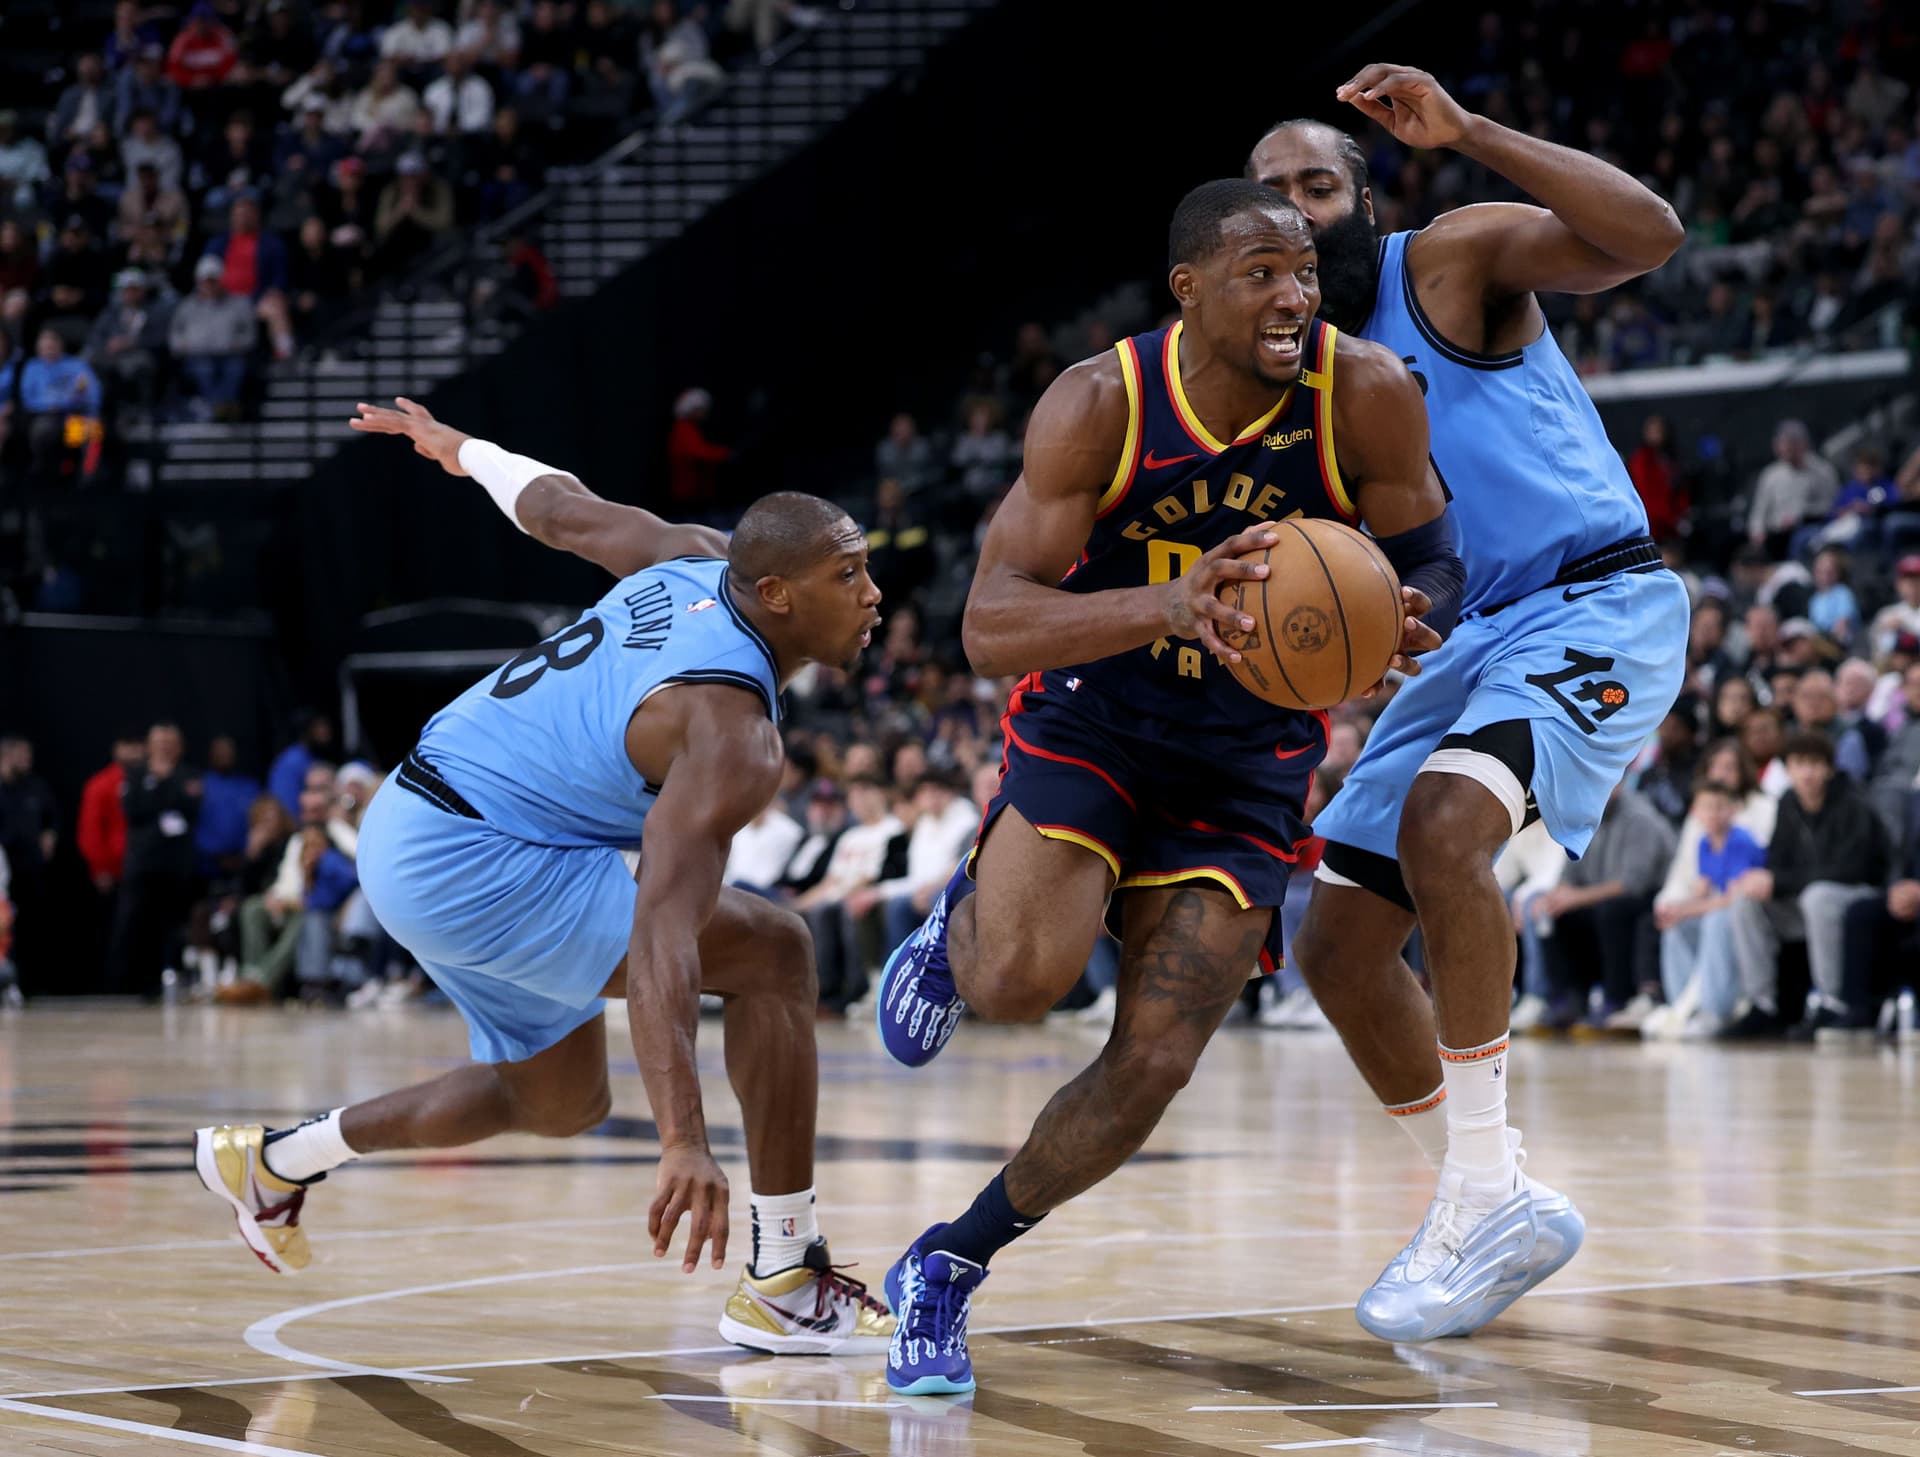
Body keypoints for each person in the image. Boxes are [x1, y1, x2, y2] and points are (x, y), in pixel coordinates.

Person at [876, 180, 1460, 1394]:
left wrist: (1410, 613)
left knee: (1154, 1061)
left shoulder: (1366, 393)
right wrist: (1170, 602)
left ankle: (950, 1260)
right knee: (1017, 982)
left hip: (1248, 757)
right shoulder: (1101, 403)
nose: (1294, 295)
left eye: (1304, 271)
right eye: (1261, 272)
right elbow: (987, 625)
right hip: (1099, 715)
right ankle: (957, 921)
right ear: (1188, 290)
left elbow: (1434, 555)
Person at [196, 397, 894, 1359]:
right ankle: (785, 1275)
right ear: (775, 593)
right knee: (776, 952)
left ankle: (278, 1161)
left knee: (559, 1100)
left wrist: (462, 448)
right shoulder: (730, 732)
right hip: (474, 858)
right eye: (847, 575)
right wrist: (683, 1140)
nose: (873, 594)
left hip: (419, 816)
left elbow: (559, 509)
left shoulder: (690, 557)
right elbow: (662, 941)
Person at [1246, 63, 1688, 1342]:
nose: (1296, 211)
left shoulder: (1445, 264)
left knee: (1448, 827)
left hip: (1593, 597)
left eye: (1319, 185)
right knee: (1337, 943)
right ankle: (1491, 1196)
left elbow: (1648, 234)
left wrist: (1474, 132)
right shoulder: (1283, 378)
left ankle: (1488, 1188)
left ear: (1364, 202)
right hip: (1471, 636)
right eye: (1270, 195)